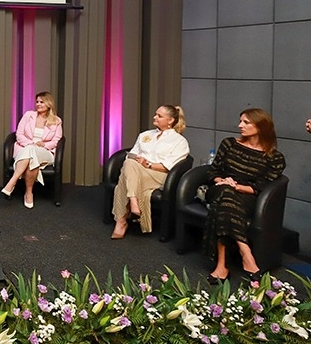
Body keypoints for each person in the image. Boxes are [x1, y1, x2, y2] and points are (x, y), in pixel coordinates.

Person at [204, 108, 286, 284]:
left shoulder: (275, 157)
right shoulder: (229, 144)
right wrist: (224, 181)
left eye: (246, 122)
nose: (240, 125)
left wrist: (238, 187)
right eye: (240, 121)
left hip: (246, 197)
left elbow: (261, 186)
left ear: (261, 126)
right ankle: (246, 252)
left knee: (224, 205)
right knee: (226, 193)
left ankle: (221, 265)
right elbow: (213, 172)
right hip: (219, 188)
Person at [110, 105, 189, 239]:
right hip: (136, 170)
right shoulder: (145, 135)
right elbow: (131, 155)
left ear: (170, 120)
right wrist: (138, 160)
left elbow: (169, 166)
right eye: (155, 114)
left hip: (159, 175)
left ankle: (122, 220)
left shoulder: (179, 141)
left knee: (126, 176)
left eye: (159, 116)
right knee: (129, 164)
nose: (155, 117)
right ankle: (133, 202)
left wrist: (148, 164)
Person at [1, 91, 63, 209]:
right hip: (25, 149)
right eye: (37, 102)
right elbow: (19, 135)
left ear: (49, 104)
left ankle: (12, 182)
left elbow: (56, 140)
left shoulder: (56, 121)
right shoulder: (28, 115)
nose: (38, 104)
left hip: (45, 152)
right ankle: (29, 193)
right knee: (31, 155)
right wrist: (32, 144)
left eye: (41, 102)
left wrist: (43, 145)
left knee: (32, 152)